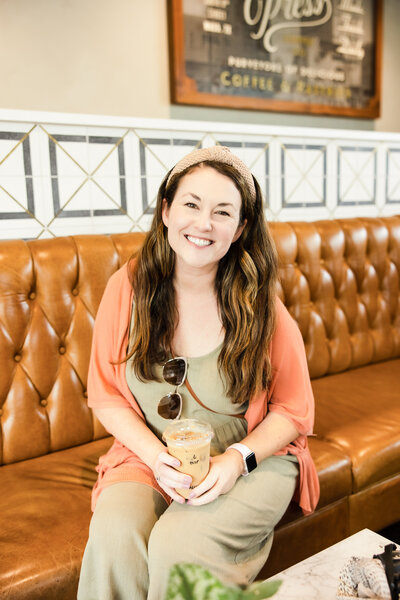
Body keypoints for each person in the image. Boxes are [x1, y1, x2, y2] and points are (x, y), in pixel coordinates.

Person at [77, 145, 320, 600]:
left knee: (179, 545)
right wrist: (155, 457)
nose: (204, 224)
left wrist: (235, 462)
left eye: (222, 212)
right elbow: (106, 396)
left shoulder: (258, 302)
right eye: (191, 204)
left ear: (241, 227)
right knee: (113, 538)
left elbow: (293, 410)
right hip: (152, 455)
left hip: (250, 460)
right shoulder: (127, 287)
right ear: (166, 210)